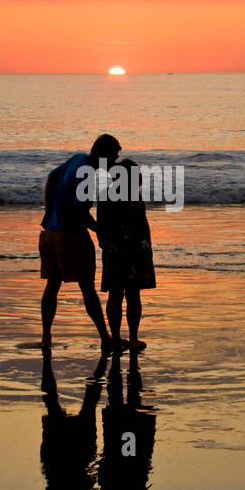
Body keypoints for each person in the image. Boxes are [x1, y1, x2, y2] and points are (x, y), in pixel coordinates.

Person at [39, 134, 122, 351]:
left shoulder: (77, 159)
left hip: (49, 234)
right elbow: (80, 214)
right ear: (103, 156)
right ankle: (105, 338)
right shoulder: (89, 176)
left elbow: (51, 177)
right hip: (70, 237)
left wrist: (50, 212)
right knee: (87, 287)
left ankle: (46, 337)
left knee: (52, 285)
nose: (115, 161)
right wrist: (101, 232)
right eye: (114, 156)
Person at [95, 147, 156, 354]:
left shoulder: (106, 196)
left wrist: (103, 243)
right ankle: (133, 338)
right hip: (136, 250)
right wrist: (149, 247)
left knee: (115, 295)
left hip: (115, 251)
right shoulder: (134, 196)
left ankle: (116, 337)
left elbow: (100, 224)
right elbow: (144, 224)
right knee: (133, 295)